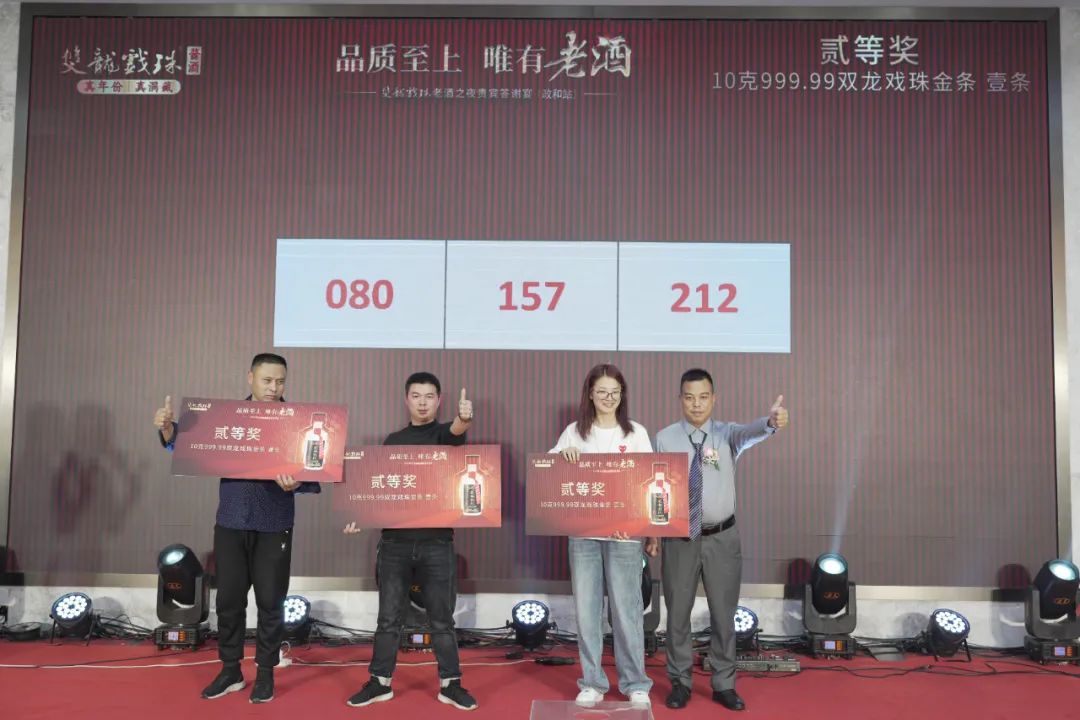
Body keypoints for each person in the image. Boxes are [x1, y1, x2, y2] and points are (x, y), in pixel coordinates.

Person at [153, 353, 321, 704]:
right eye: (267, 380)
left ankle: (265, 673)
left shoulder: (299, 424)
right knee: (229, 601)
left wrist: (298, 482)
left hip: (275, 525)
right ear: (250, 378)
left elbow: (315, 473)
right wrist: (167, 428)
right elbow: (185, 444)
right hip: (231, 523)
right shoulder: (227, 418)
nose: (273, 388)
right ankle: (230, 670)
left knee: (271, 603)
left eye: (280, 381)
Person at [655, 368, 787, 712]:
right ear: (680, 399)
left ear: (714, 399)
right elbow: (654, 489)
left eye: (703, 397)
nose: (696, 404)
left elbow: (753, 432)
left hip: (722, 538)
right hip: (679, 539)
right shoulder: (664, 438)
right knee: (677, 615)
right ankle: (680, 682)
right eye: (689, 397)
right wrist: (653, 532)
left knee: (724, 616)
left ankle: (724, 684)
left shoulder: (727, 435)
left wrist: (770, 423)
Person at [346, 372, 478, 711]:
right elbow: (379, 488)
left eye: (429, 396)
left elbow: (457, 430)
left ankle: (451, 684)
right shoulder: (393, 441)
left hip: (437, 542)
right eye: (416, 396)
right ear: (407, 399)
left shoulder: (444, 435)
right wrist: (360, 515)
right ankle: (379, 682)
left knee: (442, 620)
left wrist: (464, 418)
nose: (422, 402)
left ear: (439, 400)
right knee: (388, 619)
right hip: (395, 544)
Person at [549, 363, 658, 709]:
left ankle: (635, 682)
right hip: (583, 535)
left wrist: (652, 531)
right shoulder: (574, 432)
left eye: (615, 392)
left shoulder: (636, 433)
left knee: (627, 610)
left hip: (625, 535)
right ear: (590, 395)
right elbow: (547, 471)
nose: (609, 398)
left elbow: (651, 482)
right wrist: (562, 456)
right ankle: (592, 681)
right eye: (602, 392)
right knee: (587, 610)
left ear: (622, 395)